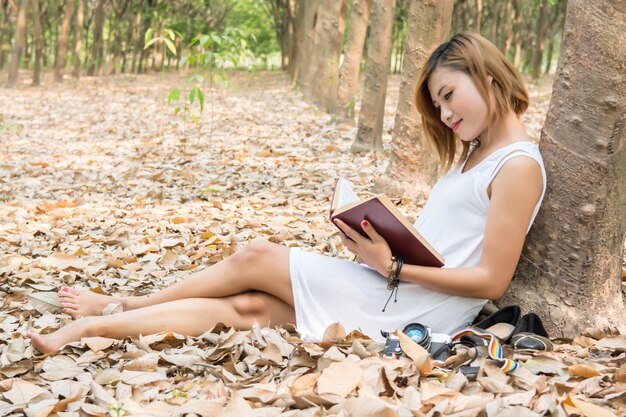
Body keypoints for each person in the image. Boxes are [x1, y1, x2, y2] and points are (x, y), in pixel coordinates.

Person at [28, 32, 546, 354]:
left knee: (255, 256)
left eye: (449, 96)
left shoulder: (517, 166)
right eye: (438, 105)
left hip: (411, 305)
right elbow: (450, 244)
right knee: (249, 308)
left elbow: (491, 281)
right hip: (398, 287)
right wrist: (384, 242)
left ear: (487, 75)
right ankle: (97, 328)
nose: (446, 115)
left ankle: (122, 304)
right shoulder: (476, 156)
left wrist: (390, 266)